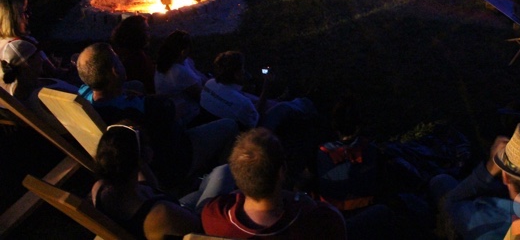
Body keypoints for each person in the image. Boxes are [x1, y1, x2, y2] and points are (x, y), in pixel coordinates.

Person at [77, 43, 238, 187]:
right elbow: (171, 122)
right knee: (230, 125)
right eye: (118, 60)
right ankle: (211, 181)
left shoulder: (84, 95)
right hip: (173, 161)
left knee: (138, 85)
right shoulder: (145, 110)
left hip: (137, 153)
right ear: (115, 71)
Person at [429, 122, 520, 240]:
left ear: (506, 177)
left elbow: (451, 202)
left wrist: (489, 168)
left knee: (441, 181)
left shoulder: (480, 219)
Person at [201, 128, 347, 238]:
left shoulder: (214, 214)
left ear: (236, 174)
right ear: (281, 172)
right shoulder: (318, 220)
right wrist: (301, 199)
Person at [91, 123, 204, 239]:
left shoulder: (100, 188)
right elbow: (199, 226)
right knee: (220, 172)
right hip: (195, 220)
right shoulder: (162, 213)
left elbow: (152, 187)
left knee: (205, 185)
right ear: (144, 156)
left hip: (176, 213)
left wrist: (138, 159)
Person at [201, 51, 316, 131]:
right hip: (250, 135)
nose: (244, 71)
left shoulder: (209, 83)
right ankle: (309, 102)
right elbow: (258, 117)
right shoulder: (242, 104)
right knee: (282, 108)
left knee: (250, 97)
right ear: (236, 74)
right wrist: (266, 87)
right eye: (242, 68)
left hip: (222, 118)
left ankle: (279, 100)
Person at [154, 30, 206, 127]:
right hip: (190, 117)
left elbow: (196, 73)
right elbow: (200, 96)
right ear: (183, 51)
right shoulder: (178, 72)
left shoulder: (167, 62)